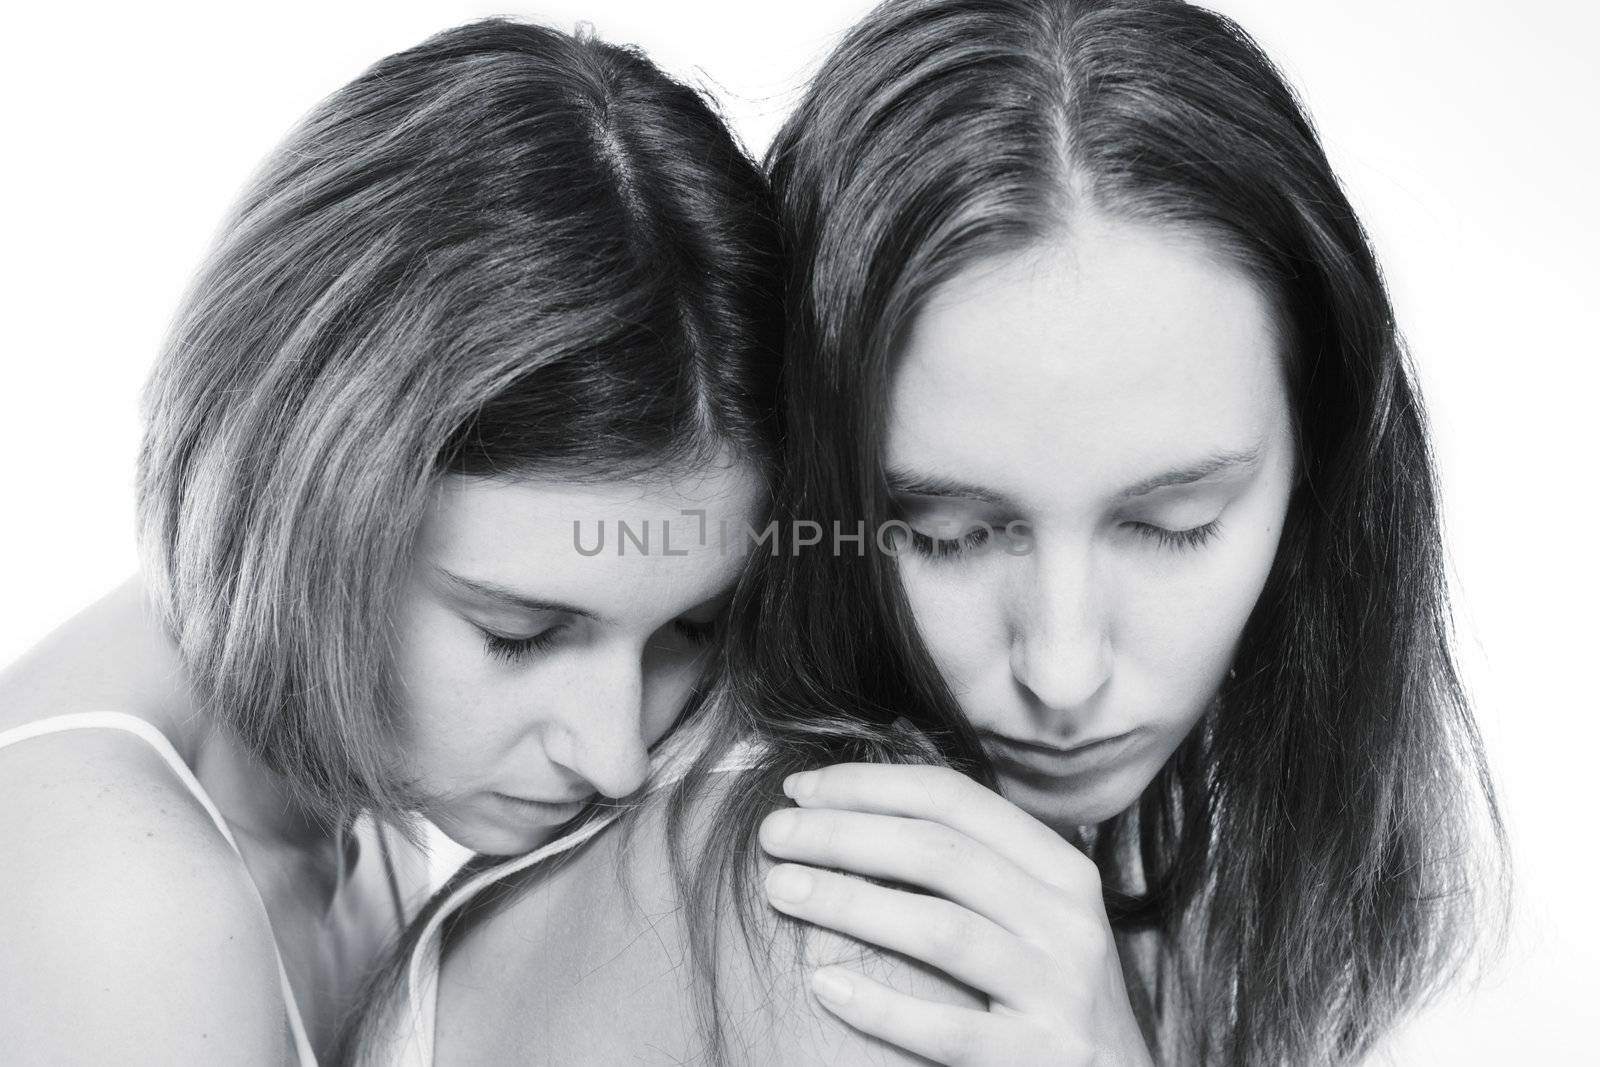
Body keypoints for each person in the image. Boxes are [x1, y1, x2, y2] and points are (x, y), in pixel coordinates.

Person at [350, 2, 1508, 1065]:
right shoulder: (849, 932)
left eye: (1171, 525)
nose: (1061, 669)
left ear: (1320, 470)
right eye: (945, 534)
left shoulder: (1137, 861)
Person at [0, 18, 781, 1065]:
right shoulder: (118, 899)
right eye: (521, 633)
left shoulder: (328, 752)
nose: (617, 751)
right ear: (312, 495)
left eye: (688, 626)